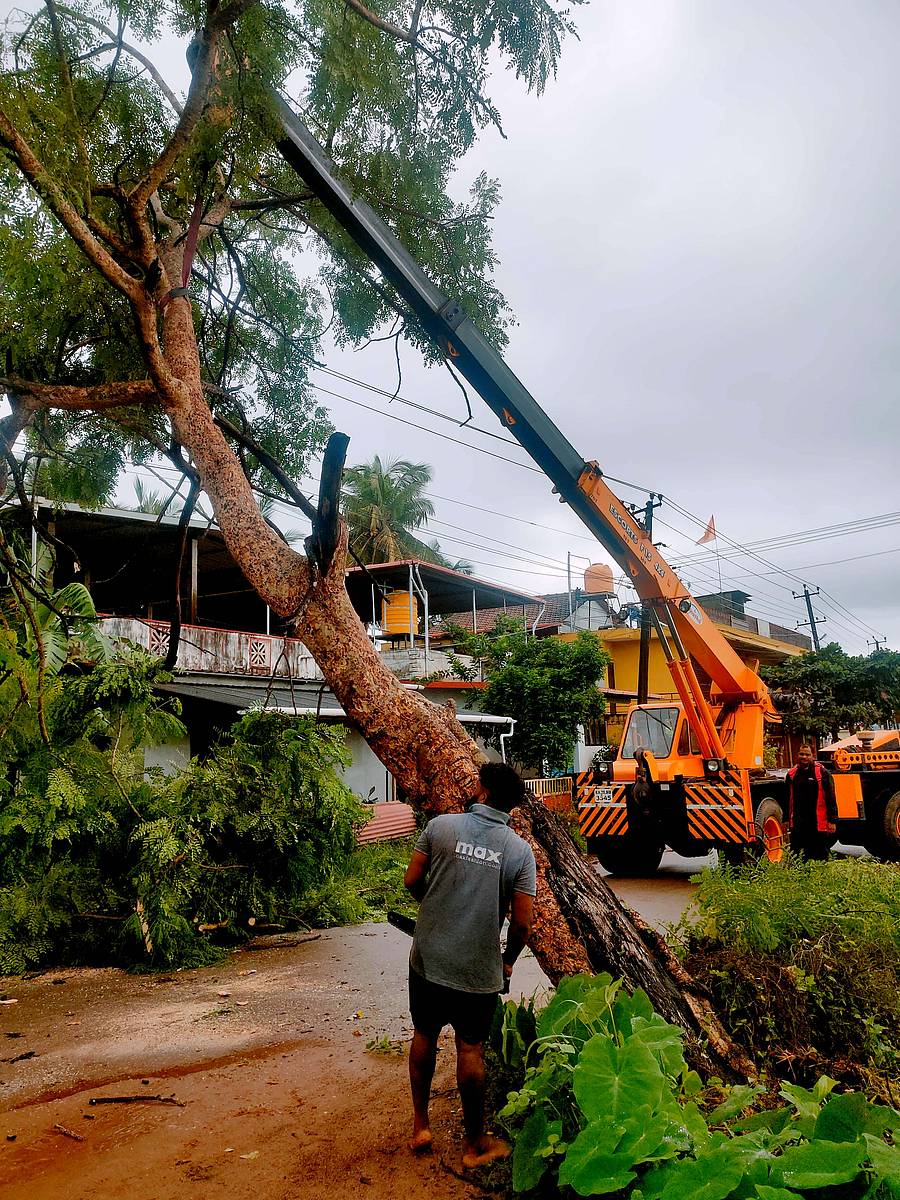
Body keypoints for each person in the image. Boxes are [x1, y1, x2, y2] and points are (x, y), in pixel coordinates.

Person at [403, 761, 536, 1168]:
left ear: (481, 791)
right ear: (511, 806)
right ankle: (474, 1144)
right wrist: (508, 962)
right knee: (470, 1048)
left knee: (424, 1034)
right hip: (478, 969)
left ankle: (421, 1126)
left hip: (428, 958)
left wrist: (433, 905)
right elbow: (522, 923)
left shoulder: (441, 826)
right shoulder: (518, 851)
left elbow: (411, 881)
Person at [785, 744, 837, 860]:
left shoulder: (822, 773)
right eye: (801, 754)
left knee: (820, 856)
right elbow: (787, 798)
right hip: (798, 824)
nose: (804, 757)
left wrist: (832, 820)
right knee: (798, 857)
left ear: (813, 756)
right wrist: (786, 820)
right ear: (797, 755)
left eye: (807, 754)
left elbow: (831, 797)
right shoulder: (791, 775)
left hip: (817, 823)